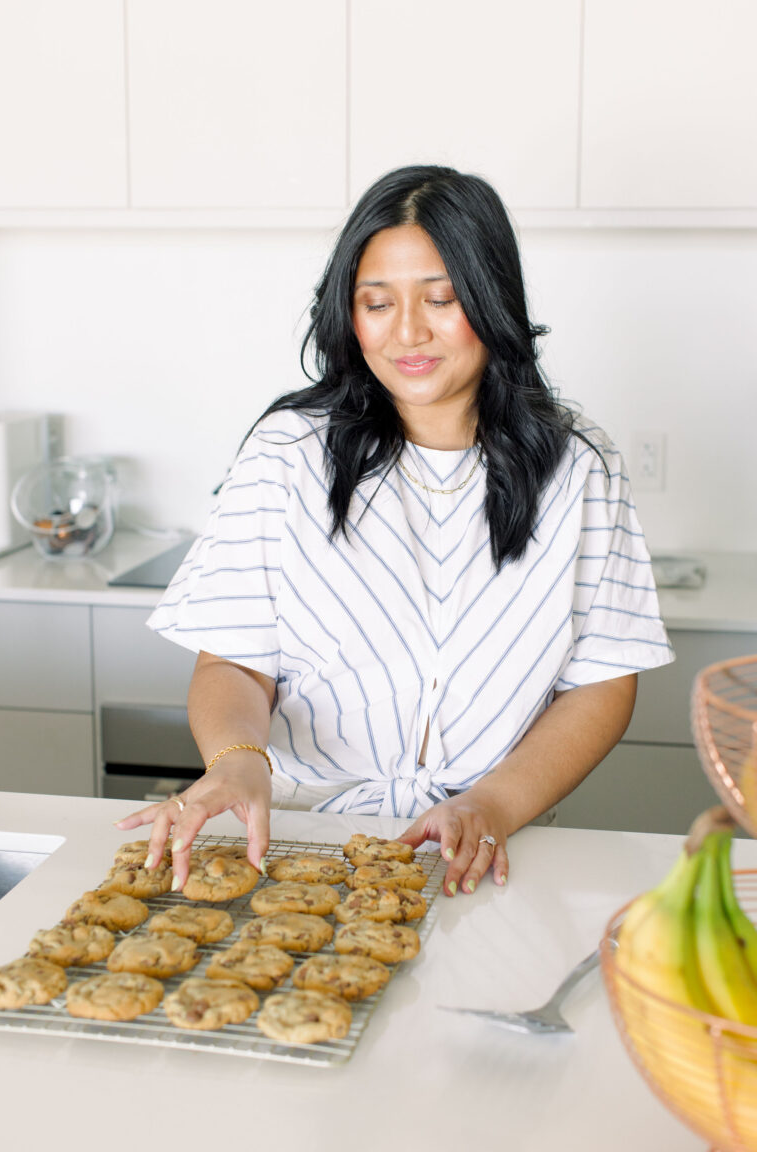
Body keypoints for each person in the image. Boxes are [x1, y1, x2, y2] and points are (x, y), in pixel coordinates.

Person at [115, 164, 674, 897]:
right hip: (296, 838)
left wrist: (493, 803)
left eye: (441, 299)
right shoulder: (287, 454)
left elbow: (601, 684)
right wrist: (236, 758)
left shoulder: (579, 467)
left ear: (491, 298)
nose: (408, 331)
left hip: (484, 843)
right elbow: (233, 664)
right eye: (376, 303)